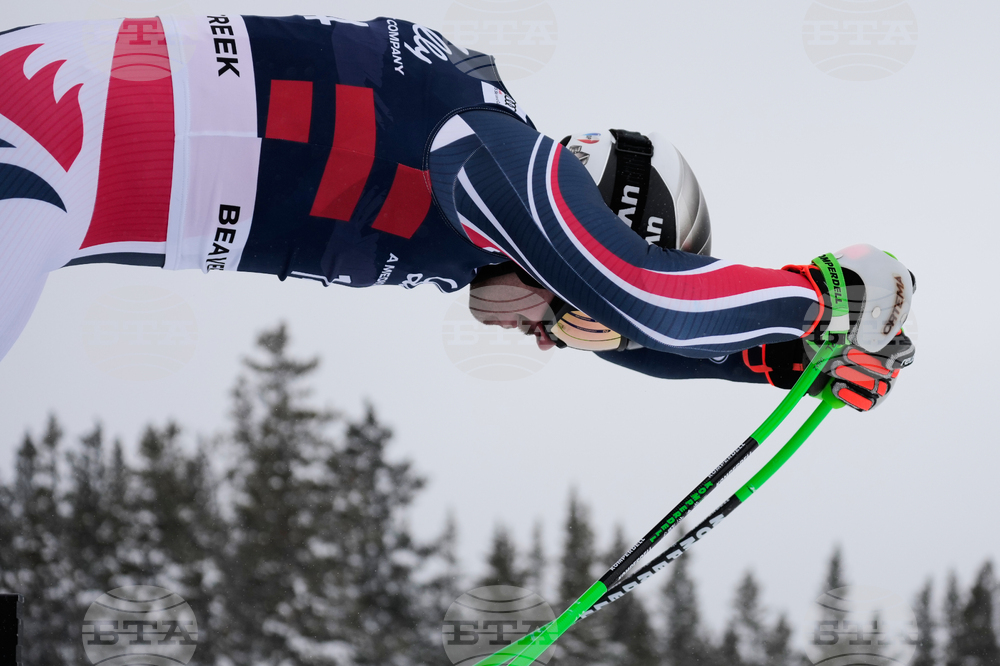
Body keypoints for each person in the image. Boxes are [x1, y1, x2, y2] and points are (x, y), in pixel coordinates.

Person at [0, 14, 914, 411]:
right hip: (41, 131)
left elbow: (643, 332)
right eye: (573, 314)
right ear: (590, 216)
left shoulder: (466, 217)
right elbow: (645, 297)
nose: (550, 341)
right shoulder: (487, 149)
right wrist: (815, 299)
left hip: (52, 172)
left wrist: (773, 365)